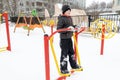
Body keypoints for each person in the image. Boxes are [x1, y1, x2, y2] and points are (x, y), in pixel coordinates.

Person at [57, 5, 81, 74]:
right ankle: (63, 68)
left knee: (71, 52)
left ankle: (74, 65)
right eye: (67, 12)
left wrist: (75, 26)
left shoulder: (69, 18)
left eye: (69, 12)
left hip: (69, 38)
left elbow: (71, 26)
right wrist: (67, 29)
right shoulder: (61, 19)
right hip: (64, 40)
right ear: (63, 12)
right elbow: (59, 29)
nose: (69, 13)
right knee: (64, 54)